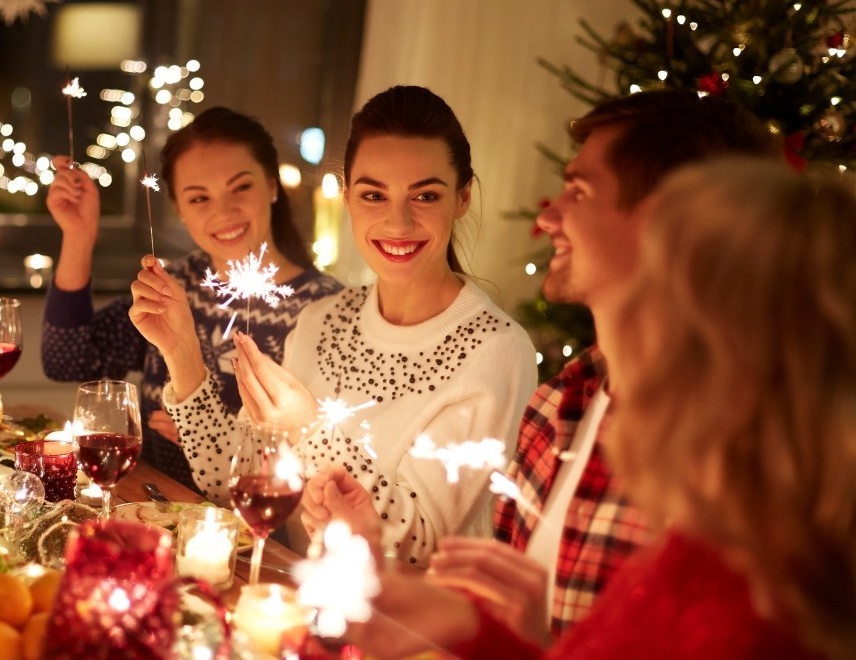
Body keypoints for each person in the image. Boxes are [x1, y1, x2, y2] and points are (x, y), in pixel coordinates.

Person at [309, 90, 779, 645]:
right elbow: (520, 637)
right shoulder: (560, 407)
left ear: (669, 221)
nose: (549, 216)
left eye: (579, 192)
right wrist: (376, 556)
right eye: (373, 193)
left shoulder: (746, 459)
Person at [350, 158, 852, 660]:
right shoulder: (711, 533)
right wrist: (484, 632)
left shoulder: (748, 597)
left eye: (655, 288)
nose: (626, 320)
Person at [131, 85, 538, 566]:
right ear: (347, 197)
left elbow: (418, 549)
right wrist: (182, 353)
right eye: (374, 195)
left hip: (398, 611)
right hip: (296, 592)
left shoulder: (494, 350)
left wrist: (309, 430)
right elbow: (233, 481)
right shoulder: (323, 318)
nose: (398, 222)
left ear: (463, 197)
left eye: (425, 195)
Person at [40, 106, 342, 492]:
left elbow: (326, 460)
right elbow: (67, 359)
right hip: (152, 509)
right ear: (179, 210)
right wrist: (79, 235)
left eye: (240, 187)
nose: (224, 211)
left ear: (271, 186)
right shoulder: (173, 286)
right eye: (199, 198)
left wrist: (208, 435)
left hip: (251, 521)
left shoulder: (326, 310)